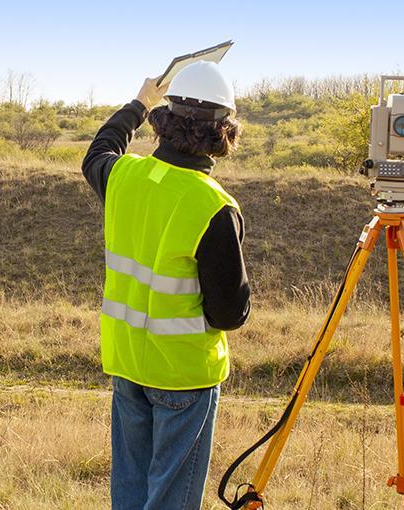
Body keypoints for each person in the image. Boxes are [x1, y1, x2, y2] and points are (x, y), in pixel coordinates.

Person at [81, 61, 250, 509]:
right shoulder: (213, 205)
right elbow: (229, 313)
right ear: (224, 132)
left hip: (127, 363)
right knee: (170, 499)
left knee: (132, 493)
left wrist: (140, 102)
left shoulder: (124, 178)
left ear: (164, 121)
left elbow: (99, 151)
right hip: (183, 375)